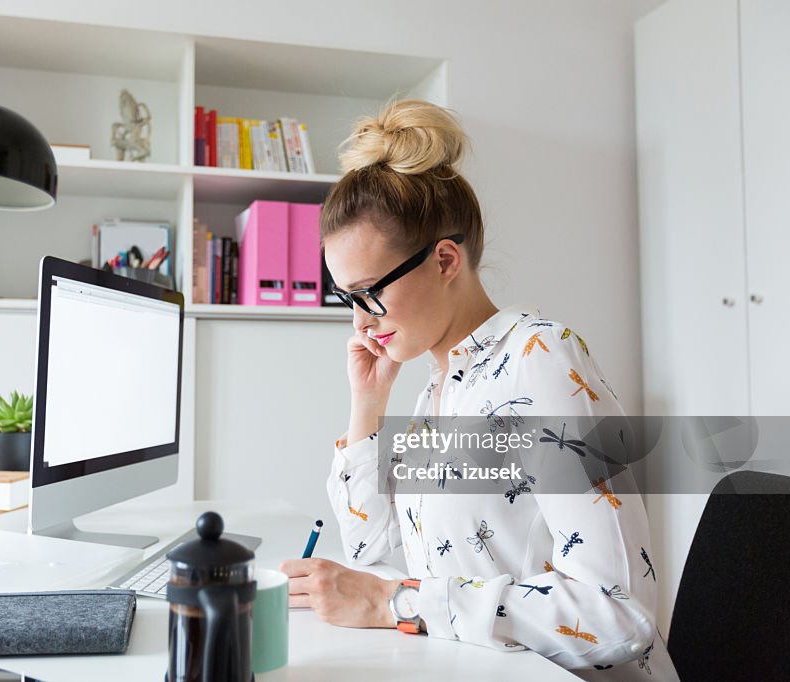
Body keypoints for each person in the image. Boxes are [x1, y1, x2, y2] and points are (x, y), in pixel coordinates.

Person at [279, 99, 679, 680]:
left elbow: (619, 616)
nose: (361, 323)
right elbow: (369, 551)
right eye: (348, 299)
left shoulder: (539, 360)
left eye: (370, 293)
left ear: (445, 259)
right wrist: (367, 406)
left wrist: (395, 603)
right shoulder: (438, 394)